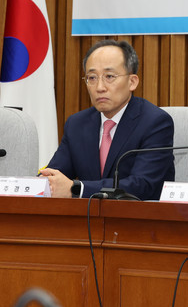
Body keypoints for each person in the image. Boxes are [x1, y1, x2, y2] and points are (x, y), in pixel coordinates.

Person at [40, 40, 174, 200]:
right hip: (88, 215)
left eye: (109, 76)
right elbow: (55, 174)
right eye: (92, 78)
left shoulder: (155, 122)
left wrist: (77, 189)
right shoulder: (77, 124)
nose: (99, 87)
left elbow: (142, 185)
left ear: (132, 82)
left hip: (139, 214)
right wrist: (44, 183)